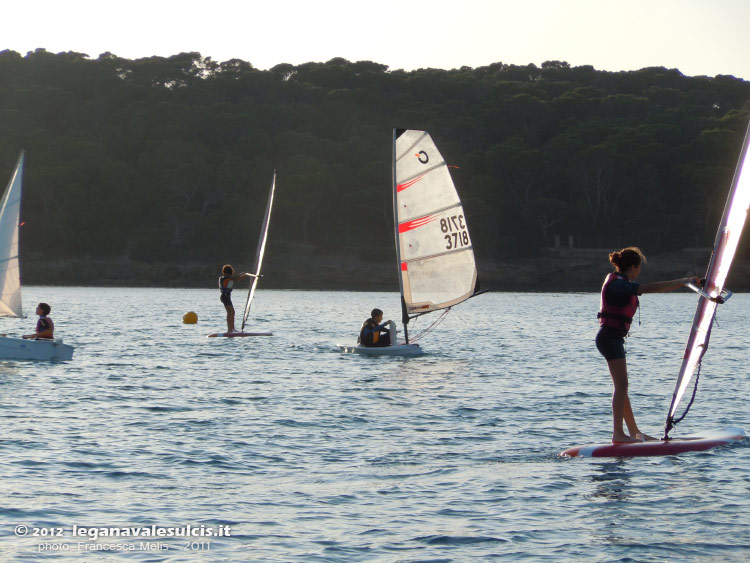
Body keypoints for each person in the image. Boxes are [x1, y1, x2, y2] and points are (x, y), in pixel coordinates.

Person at [596, 247, 699, 444]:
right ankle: (618, 434)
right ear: (634, 267)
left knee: (622, 386)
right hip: (609, 338)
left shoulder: (621, 282)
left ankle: (634, 433)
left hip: (612, 338)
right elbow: (648, 288)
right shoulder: (618, 285)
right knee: (621, 386)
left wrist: (686, 283)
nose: (639, 272)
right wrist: (683, 282)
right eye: (639, 268)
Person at [218, 264, 254, 333]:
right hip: (225, 297)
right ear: (226, 273)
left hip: (226, 297)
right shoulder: (224, 278)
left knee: (231, 312)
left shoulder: (228, 279)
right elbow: (234, 278)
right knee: (231, 312)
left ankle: (232, 329)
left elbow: (237, 279)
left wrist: (244, 275)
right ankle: (230, 329)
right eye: (229, 274)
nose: (229, 275)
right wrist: (242, 273)